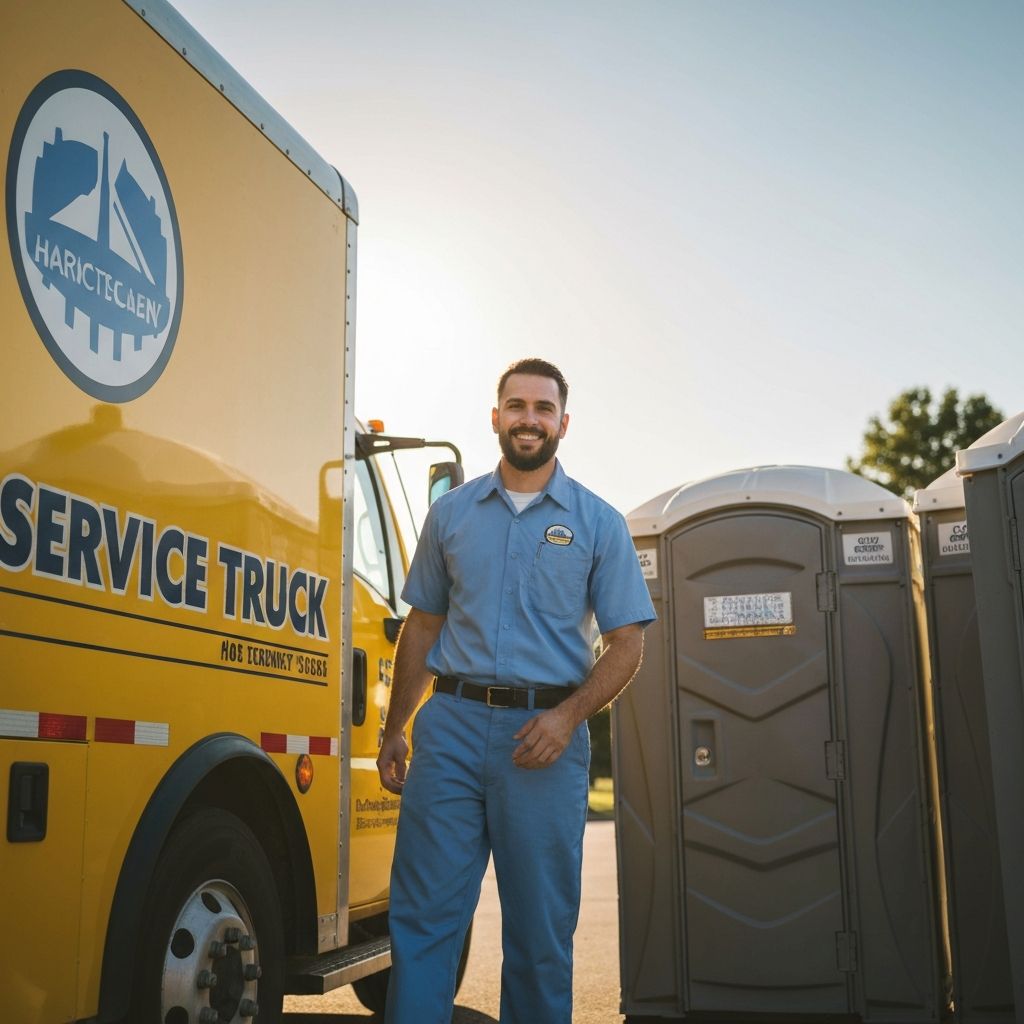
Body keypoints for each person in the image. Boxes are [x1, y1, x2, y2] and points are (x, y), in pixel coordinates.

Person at [377, 357, 656, 1024]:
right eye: (518, 405)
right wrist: (396, 728)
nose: (530, 418)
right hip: (448, 734)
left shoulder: (599, 523)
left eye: (543, 407)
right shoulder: (450, 515)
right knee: (422, 926)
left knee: (538, 935)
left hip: (544, 744)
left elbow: (628, 645)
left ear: (563, 423)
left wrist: (568, 717)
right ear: (495, 416)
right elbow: (421, 628)